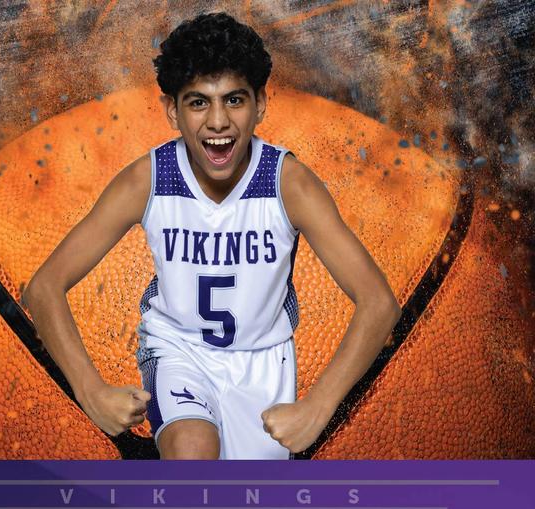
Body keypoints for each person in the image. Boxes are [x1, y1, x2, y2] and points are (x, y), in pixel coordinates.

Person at [24, 12, 401, 460]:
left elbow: (379, 303)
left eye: (234, 100)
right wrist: (90, 392)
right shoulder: (150, 179)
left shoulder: (288, 183)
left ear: (260, 104)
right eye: (199, 102)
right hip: (178, 350)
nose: (218, 121)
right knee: (192, 455)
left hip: (264, 364)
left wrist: (319, 406)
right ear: (172, 111)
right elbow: (44, 287)